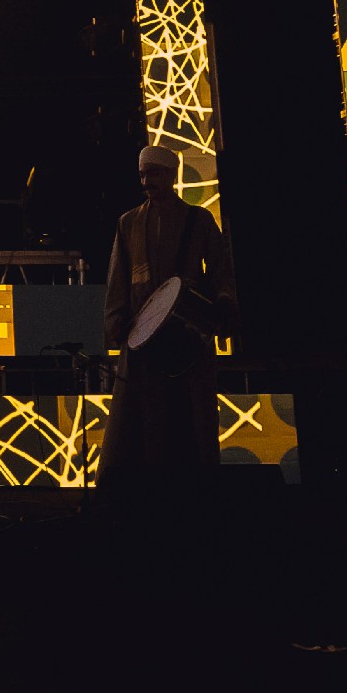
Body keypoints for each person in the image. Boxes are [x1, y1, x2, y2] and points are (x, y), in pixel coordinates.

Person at [99, 145, 237, 503]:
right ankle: (147, 499)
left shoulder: (198, 220)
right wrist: (117, 324)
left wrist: (222, 307)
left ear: (171, 176)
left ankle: (199, 497)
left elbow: (221, 271)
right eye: (143, 175)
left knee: (193, 416)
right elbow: (118, 280)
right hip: (143, 336)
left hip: (189, 335)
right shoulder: (128, 223)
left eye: (154, 174)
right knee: (145, 420)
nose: (147, 182)